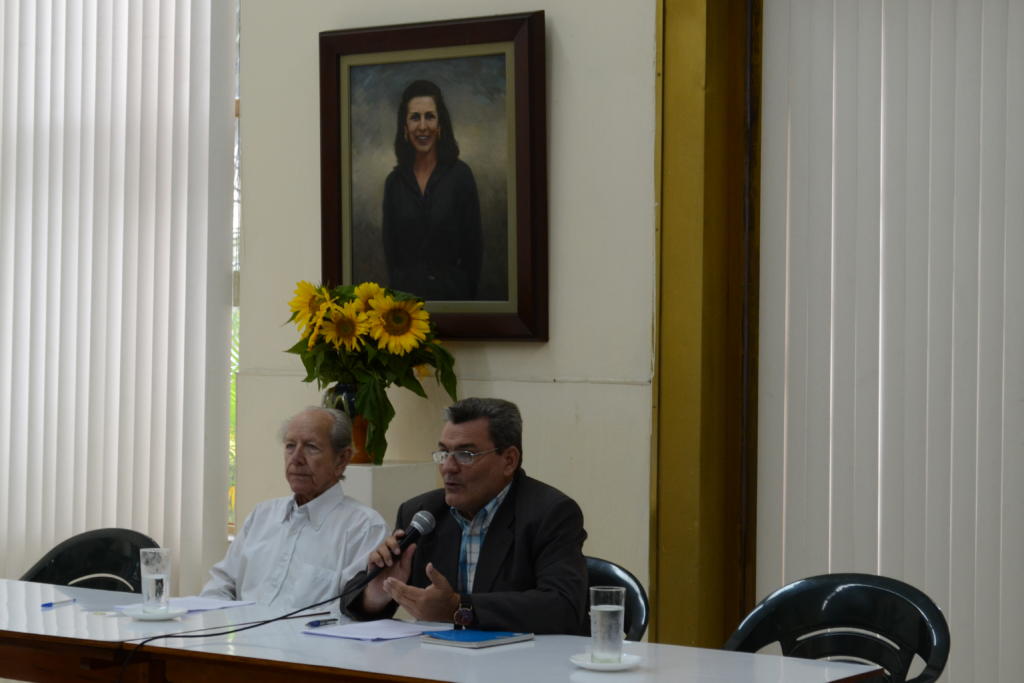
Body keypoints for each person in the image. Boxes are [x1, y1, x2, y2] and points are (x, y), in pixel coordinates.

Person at [342, 398, 589, 634]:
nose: (448, 467)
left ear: (509, 460)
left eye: (465, 455)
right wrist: (377, 591)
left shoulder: (550, 513)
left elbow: (563, 607)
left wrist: (459, 608)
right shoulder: (421, 513)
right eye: (443, 453)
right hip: (437, 663)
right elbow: (354, 606)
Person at [200, 407, 388, 609]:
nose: (296, 458)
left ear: (341, 459)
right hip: (239, 638)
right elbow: (219, 587)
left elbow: (355, 613)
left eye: (311, 447)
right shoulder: (262, 516)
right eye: (290, 446)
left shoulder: (364, 528)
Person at [382, 80, 483, 301]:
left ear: (440, 125)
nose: (423, 126)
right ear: (405, 127)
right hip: (407, 313)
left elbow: (473, 251)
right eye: (415, 117)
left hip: (455, 302)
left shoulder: (461, 176)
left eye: (430, 116)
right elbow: (392, 257)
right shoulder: (394, 184)